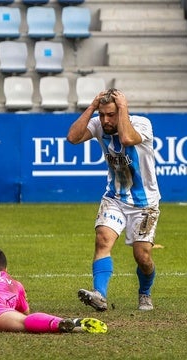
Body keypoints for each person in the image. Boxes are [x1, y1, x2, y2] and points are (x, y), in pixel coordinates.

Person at [66, 88, 160, 311]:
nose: (105, 120)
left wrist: (124, 108)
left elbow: (127, 139)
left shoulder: (141, 124)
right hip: (115, 197)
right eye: (102, 115)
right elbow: (72, 138)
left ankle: (145, 293)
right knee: (103, 239)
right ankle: (99, 294)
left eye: (111, 115)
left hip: (145, 204)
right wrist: (91, 108)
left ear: (121, 111)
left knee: (143, 257)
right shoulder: (99, 124)